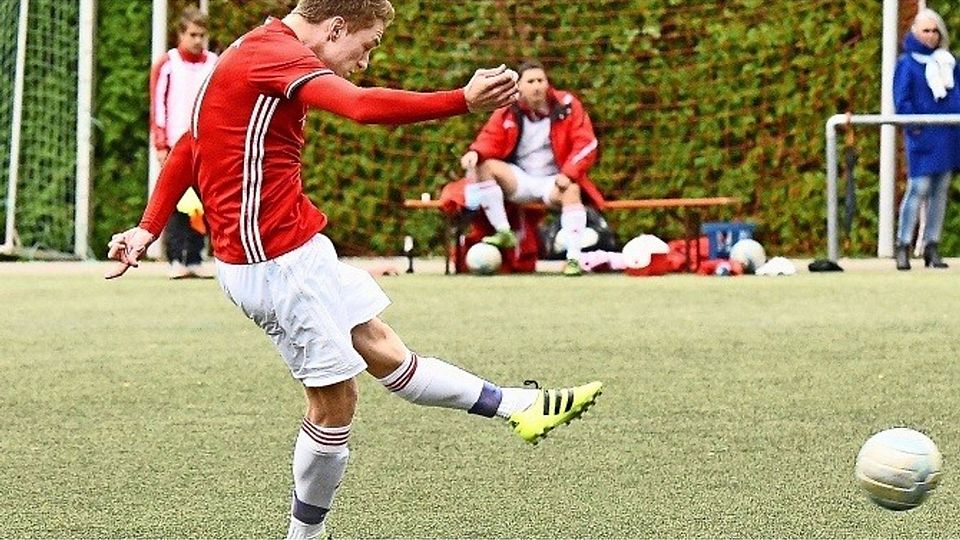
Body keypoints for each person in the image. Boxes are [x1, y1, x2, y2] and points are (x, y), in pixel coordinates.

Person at [104, 2, 603, 538]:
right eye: (367, 46)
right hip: (273, 265)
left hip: (299, 250)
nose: (364, 62)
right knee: (334, 403)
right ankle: (305, 536)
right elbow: (361, 107)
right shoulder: (274, 56)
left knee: (384, 348)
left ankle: (517, 406)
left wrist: (148, 226)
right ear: (336, 27)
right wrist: (462, 100)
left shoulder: (255, 48)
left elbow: (190, 145)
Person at [460, 60, 604, 276]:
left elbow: (587, 143)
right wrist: (475, 152)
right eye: (530, 81)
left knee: (573, 190)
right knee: (485, 166)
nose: (536, 86)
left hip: (554, 180)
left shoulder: (567, 105)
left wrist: (569, 173)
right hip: (521, 179)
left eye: (541, 80)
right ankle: (504, 231)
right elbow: (490, 136)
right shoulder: (509, 108)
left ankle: (574, 259)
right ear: (520, 86)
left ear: (547, 83)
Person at [149, 6, 218, 279]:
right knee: (177, 201)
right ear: (181, 34)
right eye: (193, 34)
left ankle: (196, 256)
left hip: (207, 145)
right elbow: (158, 105)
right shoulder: (167, 63)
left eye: (202, 35)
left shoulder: (215, 63)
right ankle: (176, 258)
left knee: (204, 202)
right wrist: (160, 143)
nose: (198, 40)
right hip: (176, 145)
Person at [893, 7, 960, 270]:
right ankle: (903, 244)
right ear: (915, 32)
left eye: (935, 31)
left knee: (940, 190)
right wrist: (916, 126)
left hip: (947, 135)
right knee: (918, 188)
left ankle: (932, 245)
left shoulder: (949, 62)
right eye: (926, 31)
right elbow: (902, 100)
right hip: (922, 136)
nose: (931, 36)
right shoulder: (906, 64)